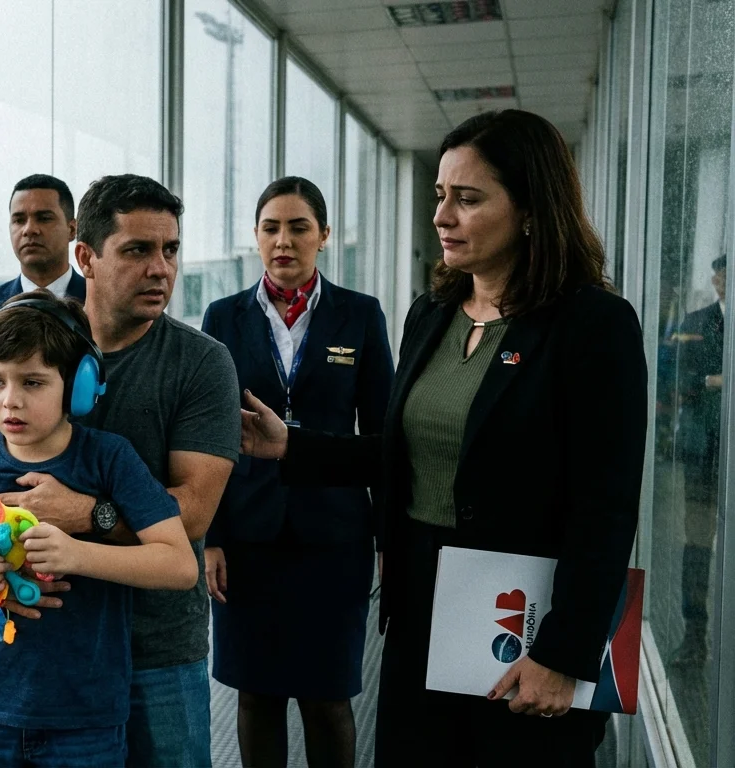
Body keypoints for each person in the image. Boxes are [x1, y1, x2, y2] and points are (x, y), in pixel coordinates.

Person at [238, 110, 647, 766]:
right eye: (439, 196)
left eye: (468, 198)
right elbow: (410, 453)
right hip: (421, 607)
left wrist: (562, 654)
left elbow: (606, 505)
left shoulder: (592, 325)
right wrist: (293, 445)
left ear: (532, 210)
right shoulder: (431, 315)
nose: (442, 216)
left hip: (527, 618)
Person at [0, 174, 240, 767]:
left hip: (158, 647)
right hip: (36, 652)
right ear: (86, 256)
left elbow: (195, 512)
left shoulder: (201, 362)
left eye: (171, 250)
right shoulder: (24, 349)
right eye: (137, 250)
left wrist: (84, 515)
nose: (161, 269)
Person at [0, 290, 196, 766]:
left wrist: (79, 554)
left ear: (78, 386)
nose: (9, 401)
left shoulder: (110, 458)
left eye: (33, 383)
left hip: (86, 718)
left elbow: (180, 565)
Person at [201, 177, 393, 768]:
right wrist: (211, 538)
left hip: (333, 537)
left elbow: (382, 438)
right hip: (246, 537)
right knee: (256, 695)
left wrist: (388, 538)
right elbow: (206, 438)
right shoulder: (223, 317)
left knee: (328, 699)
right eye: (270, 228)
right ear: (256, 238)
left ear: (325, 235)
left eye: (299, 227)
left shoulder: (359, 316)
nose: (283, 241)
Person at [669, 254, 725, 666]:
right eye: (719, 274)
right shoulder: (696, 322)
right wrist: (714, 380)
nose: (721, 281)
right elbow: (680, 380)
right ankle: (695, 634)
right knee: (698, 542)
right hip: (704, 451)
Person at [0, 174, 87, 318]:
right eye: (19, 220)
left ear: (72, 229)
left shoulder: (99, 301)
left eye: (44, 218)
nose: (29, 229)